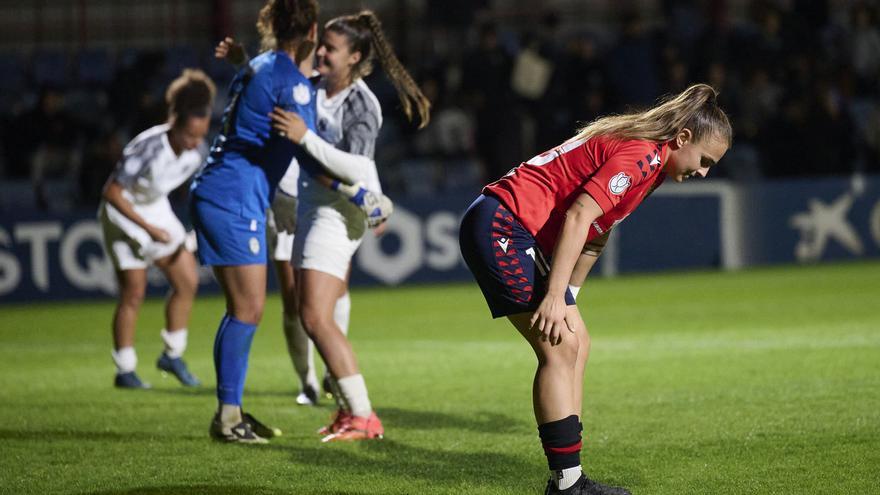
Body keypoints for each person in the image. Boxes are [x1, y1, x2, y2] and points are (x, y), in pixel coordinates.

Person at [458, 83, 731, 495]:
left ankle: (569, 477)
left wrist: (570, 298)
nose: (704, 172)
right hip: (502, 224)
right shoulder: (643, 155)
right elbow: (580, 216)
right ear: (683, 138)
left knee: (577, 341)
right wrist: (554, 297)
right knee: (561, 347)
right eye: (705, 161)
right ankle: (568, 484)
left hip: (516, 229)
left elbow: (596, 235)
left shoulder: (653, 164)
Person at [268, 9, 430, 441]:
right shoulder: (314, 89)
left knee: (314, 316)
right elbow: (302, 152)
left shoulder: (361, 103)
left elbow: (357, 165)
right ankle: (346, 411)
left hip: (337, 216)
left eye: (331, 49)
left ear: (356, 56)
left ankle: (363, 417)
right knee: (317, 314)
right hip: (314, 206)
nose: (320, 53)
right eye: (322, 45)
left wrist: (305, 138)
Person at [98, 69, 215, 389]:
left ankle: (172, 355)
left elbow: (201, 189)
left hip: (155, 209)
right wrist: (148, 228)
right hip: (122, 213)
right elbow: (112, 192)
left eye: (200, 136)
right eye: (189, 136)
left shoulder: (197, 151)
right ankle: (124, 370)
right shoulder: (149, 147)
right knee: (134, 292)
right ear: (173, 123)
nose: (194, 144)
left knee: (187, 280)